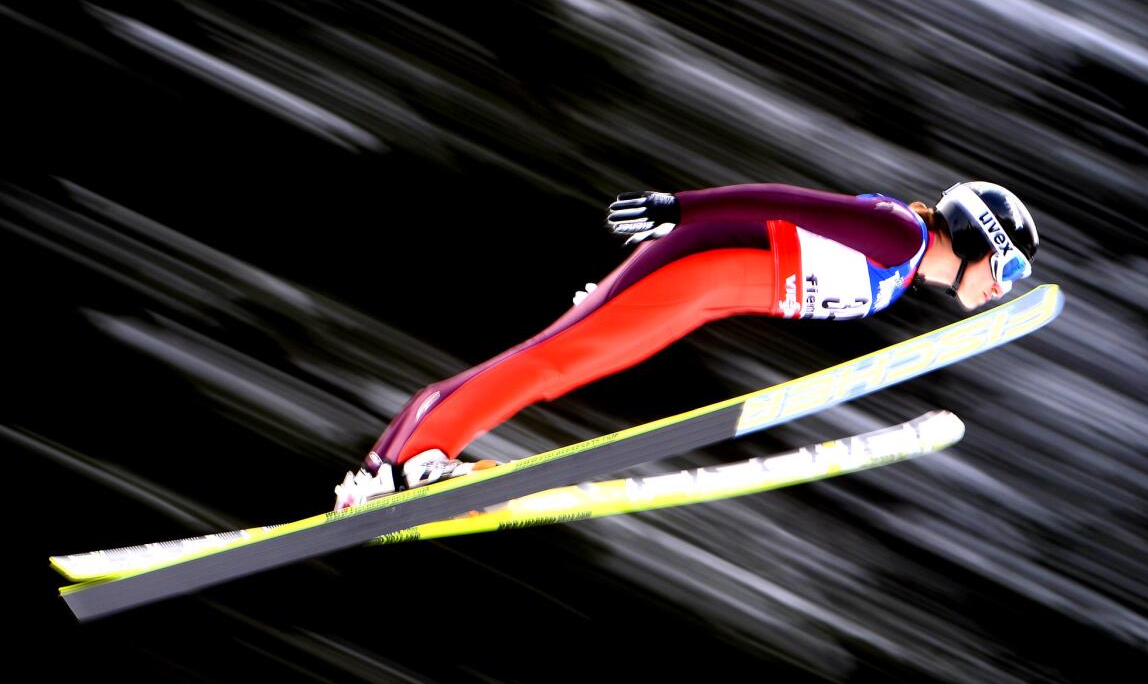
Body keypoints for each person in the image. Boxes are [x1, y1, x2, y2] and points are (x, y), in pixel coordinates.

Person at [333, 181, 1039, 510]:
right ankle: (397, 466)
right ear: (982, 241)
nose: (1002, 287)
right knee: (549, 363)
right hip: (689, 267)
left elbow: (765, 282)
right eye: (1007, 269)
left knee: (556, 364)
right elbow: (786, 206)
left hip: (694, 296)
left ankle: (393, 466)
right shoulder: (900, 235)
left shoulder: (900, 274)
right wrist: (682, 210)